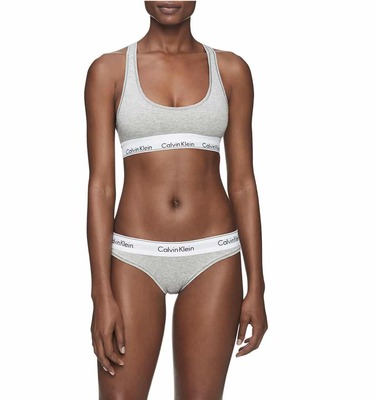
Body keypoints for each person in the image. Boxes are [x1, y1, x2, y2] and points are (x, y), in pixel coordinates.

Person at [84, 1, 268, 398]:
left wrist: (257, 285)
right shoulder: (108, 71)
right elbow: (100, 187)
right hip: (134, 257)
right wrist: (101, 293)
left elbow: (242, 183)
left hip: (213, 256)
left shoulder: (231, 71)